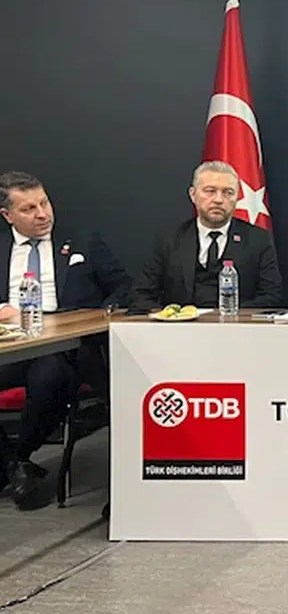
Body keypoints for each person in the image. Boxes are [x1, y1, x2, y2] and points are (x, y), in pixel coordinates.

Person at [0, 171, 131, 509]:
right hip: (11, 345)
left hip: (64, 349)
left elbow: (122, 286)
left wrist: (101, 315)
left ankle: (18, 459)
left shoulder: (82, 241)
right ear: (7, 215)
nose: (42, 214)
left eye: (44, 203)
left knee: (49, 376)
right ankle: (14, 466)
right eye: (28, 209)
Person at [133, 161, 282, 311]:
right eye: (210, 191)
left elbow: (271, 296)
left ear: (237, 198)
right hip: (182, 323)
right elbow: (142, 294)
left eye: (228, 193)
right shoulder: (170, 240)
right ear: (193, 194)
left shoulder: (258, 240)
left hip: (236, 323)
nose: (218, 200)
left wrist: (229, 316)